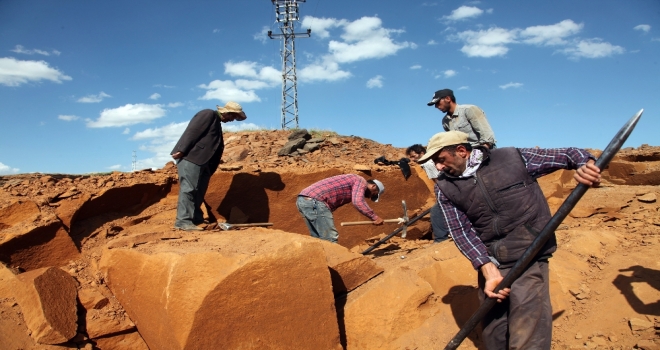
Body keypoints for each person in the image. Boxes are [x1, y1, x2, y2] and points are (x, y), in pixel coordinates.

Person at [417, 130, 601, 349]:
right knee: (494, 331)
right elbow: (461, 231)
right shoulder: (446, 188)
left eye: (440, 160)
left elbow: (569, 154)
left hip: (529, 252)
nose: (438, 167)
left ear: (461, 151)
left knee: (527, 328)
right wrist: (487, 268)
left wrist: (585, 164)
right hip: (492, 259)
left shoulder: (512, 159)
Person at [171, 102, 247, 231]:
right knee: (189, 189)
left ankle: (196, 219)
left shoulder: (216, 121)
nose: (232, 120)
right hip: (192, 158)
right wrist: (182, 150)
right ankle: (183, 221)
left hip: (204, 162)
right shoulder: (208, 114)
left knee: (199, 190)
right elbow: (193, 131)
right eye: (233, 116)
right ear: (227, 113)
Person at [296, 174, 385, 243]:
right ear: (373, 186)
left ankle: (320, 264)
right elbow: (358, 202)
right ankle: (332, 264)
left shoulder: (353, 181)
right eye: (373, 194)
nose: (370, 197)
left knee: (318, 237)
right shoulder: (361, 181)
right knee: (330, 237)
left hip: (303, 199)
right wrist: (375, 217)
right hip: (315, 201)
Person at [405, 144, 448, 243]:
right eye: (410, 157)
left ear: (422, 153)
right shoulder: (431, 161)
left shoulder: (427, 164)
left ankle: (441, 239)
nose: (412, 159)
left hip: (446, 190)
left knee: (436, 211)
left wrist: (443, 195)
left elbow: (438, 180)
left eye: (413, 156)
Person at [427, 88, 497, 149]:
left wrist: (481, 152)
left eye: (438, 102)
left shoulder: (469, 110)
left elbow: (487, 136)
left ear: (448, 99)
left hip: (483, 151)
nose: (436, 106)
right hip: (464, 155)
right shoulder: (445, 121)